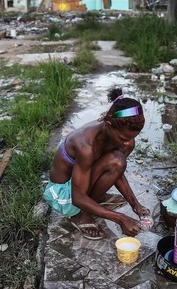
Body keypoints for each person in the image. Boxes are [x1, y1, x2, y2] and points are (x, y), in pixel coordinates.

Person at [44, 88, 150, 240]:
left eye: (132, 137)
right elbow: (77, 197)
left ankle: (94, 199)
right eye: (122, 138)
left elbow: (117, 171)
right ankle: (80, 215)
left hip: (80, 181)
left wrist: (135, 204)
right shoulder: (86, 145)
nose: (128, 143)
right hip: (63, 194)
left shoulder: (120, 137)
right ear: (108, 125)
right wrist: (120, 218)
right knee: (116, 160)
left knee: (117, 161)